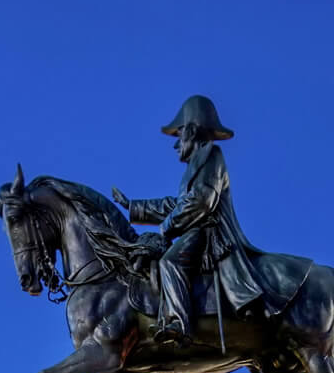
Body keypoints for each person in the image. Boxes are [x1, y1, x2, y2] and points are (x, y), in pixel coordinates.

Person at [113, 95, 270, 342]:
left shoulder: (211, 156)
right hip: (196, 230)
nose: (176, 145)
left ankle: (178, 324)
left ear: (193, 131)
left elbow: (200, 201)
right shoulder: (196, 165)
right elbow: (177, 204)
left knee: (169, 263)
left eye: (179, 135)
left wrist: (166, 227)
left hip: (211, 234)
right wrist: (133, 206)